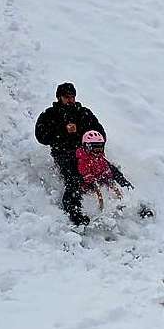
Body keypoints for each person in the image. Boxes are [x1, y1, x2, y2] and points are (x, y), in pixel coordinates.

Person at [35, 83, 132, 224]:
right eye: (66, 97)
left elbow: (100, 132)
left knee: (111, 171)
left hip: (88, 153)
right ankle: (75, 212)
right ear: (59, 97)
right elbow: (41, 136)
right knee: (74, 179)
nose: (70, 100)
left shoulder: (83, 112)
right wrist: (62, 131)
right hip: (64, 154)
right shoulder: (50, 115)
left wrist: (90, 140)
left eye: (72, 96)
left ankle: (132, 196)